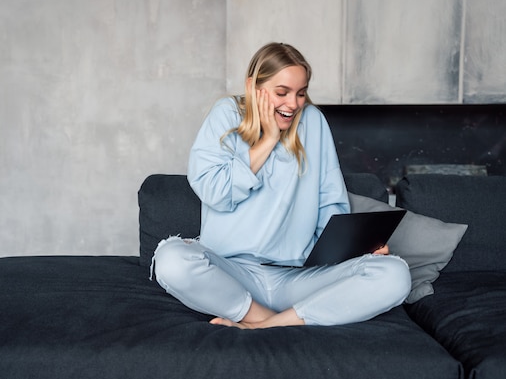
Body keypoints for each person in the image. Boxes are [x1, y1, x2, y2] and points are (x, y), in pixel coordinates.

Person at [152, 42, 411, 329]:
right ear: (253, 86)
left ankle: (265, 326)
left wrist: (354, 249)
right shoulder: (226, 114)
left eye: (301, 93)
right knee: (171, 260)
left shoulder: (313, 121)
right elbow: (215, 193)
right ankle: (267, 319)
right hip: (232, 273)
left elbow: (330, 202)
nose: (294, 104)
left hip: (297, 277)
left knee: (395, 274)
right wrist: (268, 140)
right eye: (282, 93)